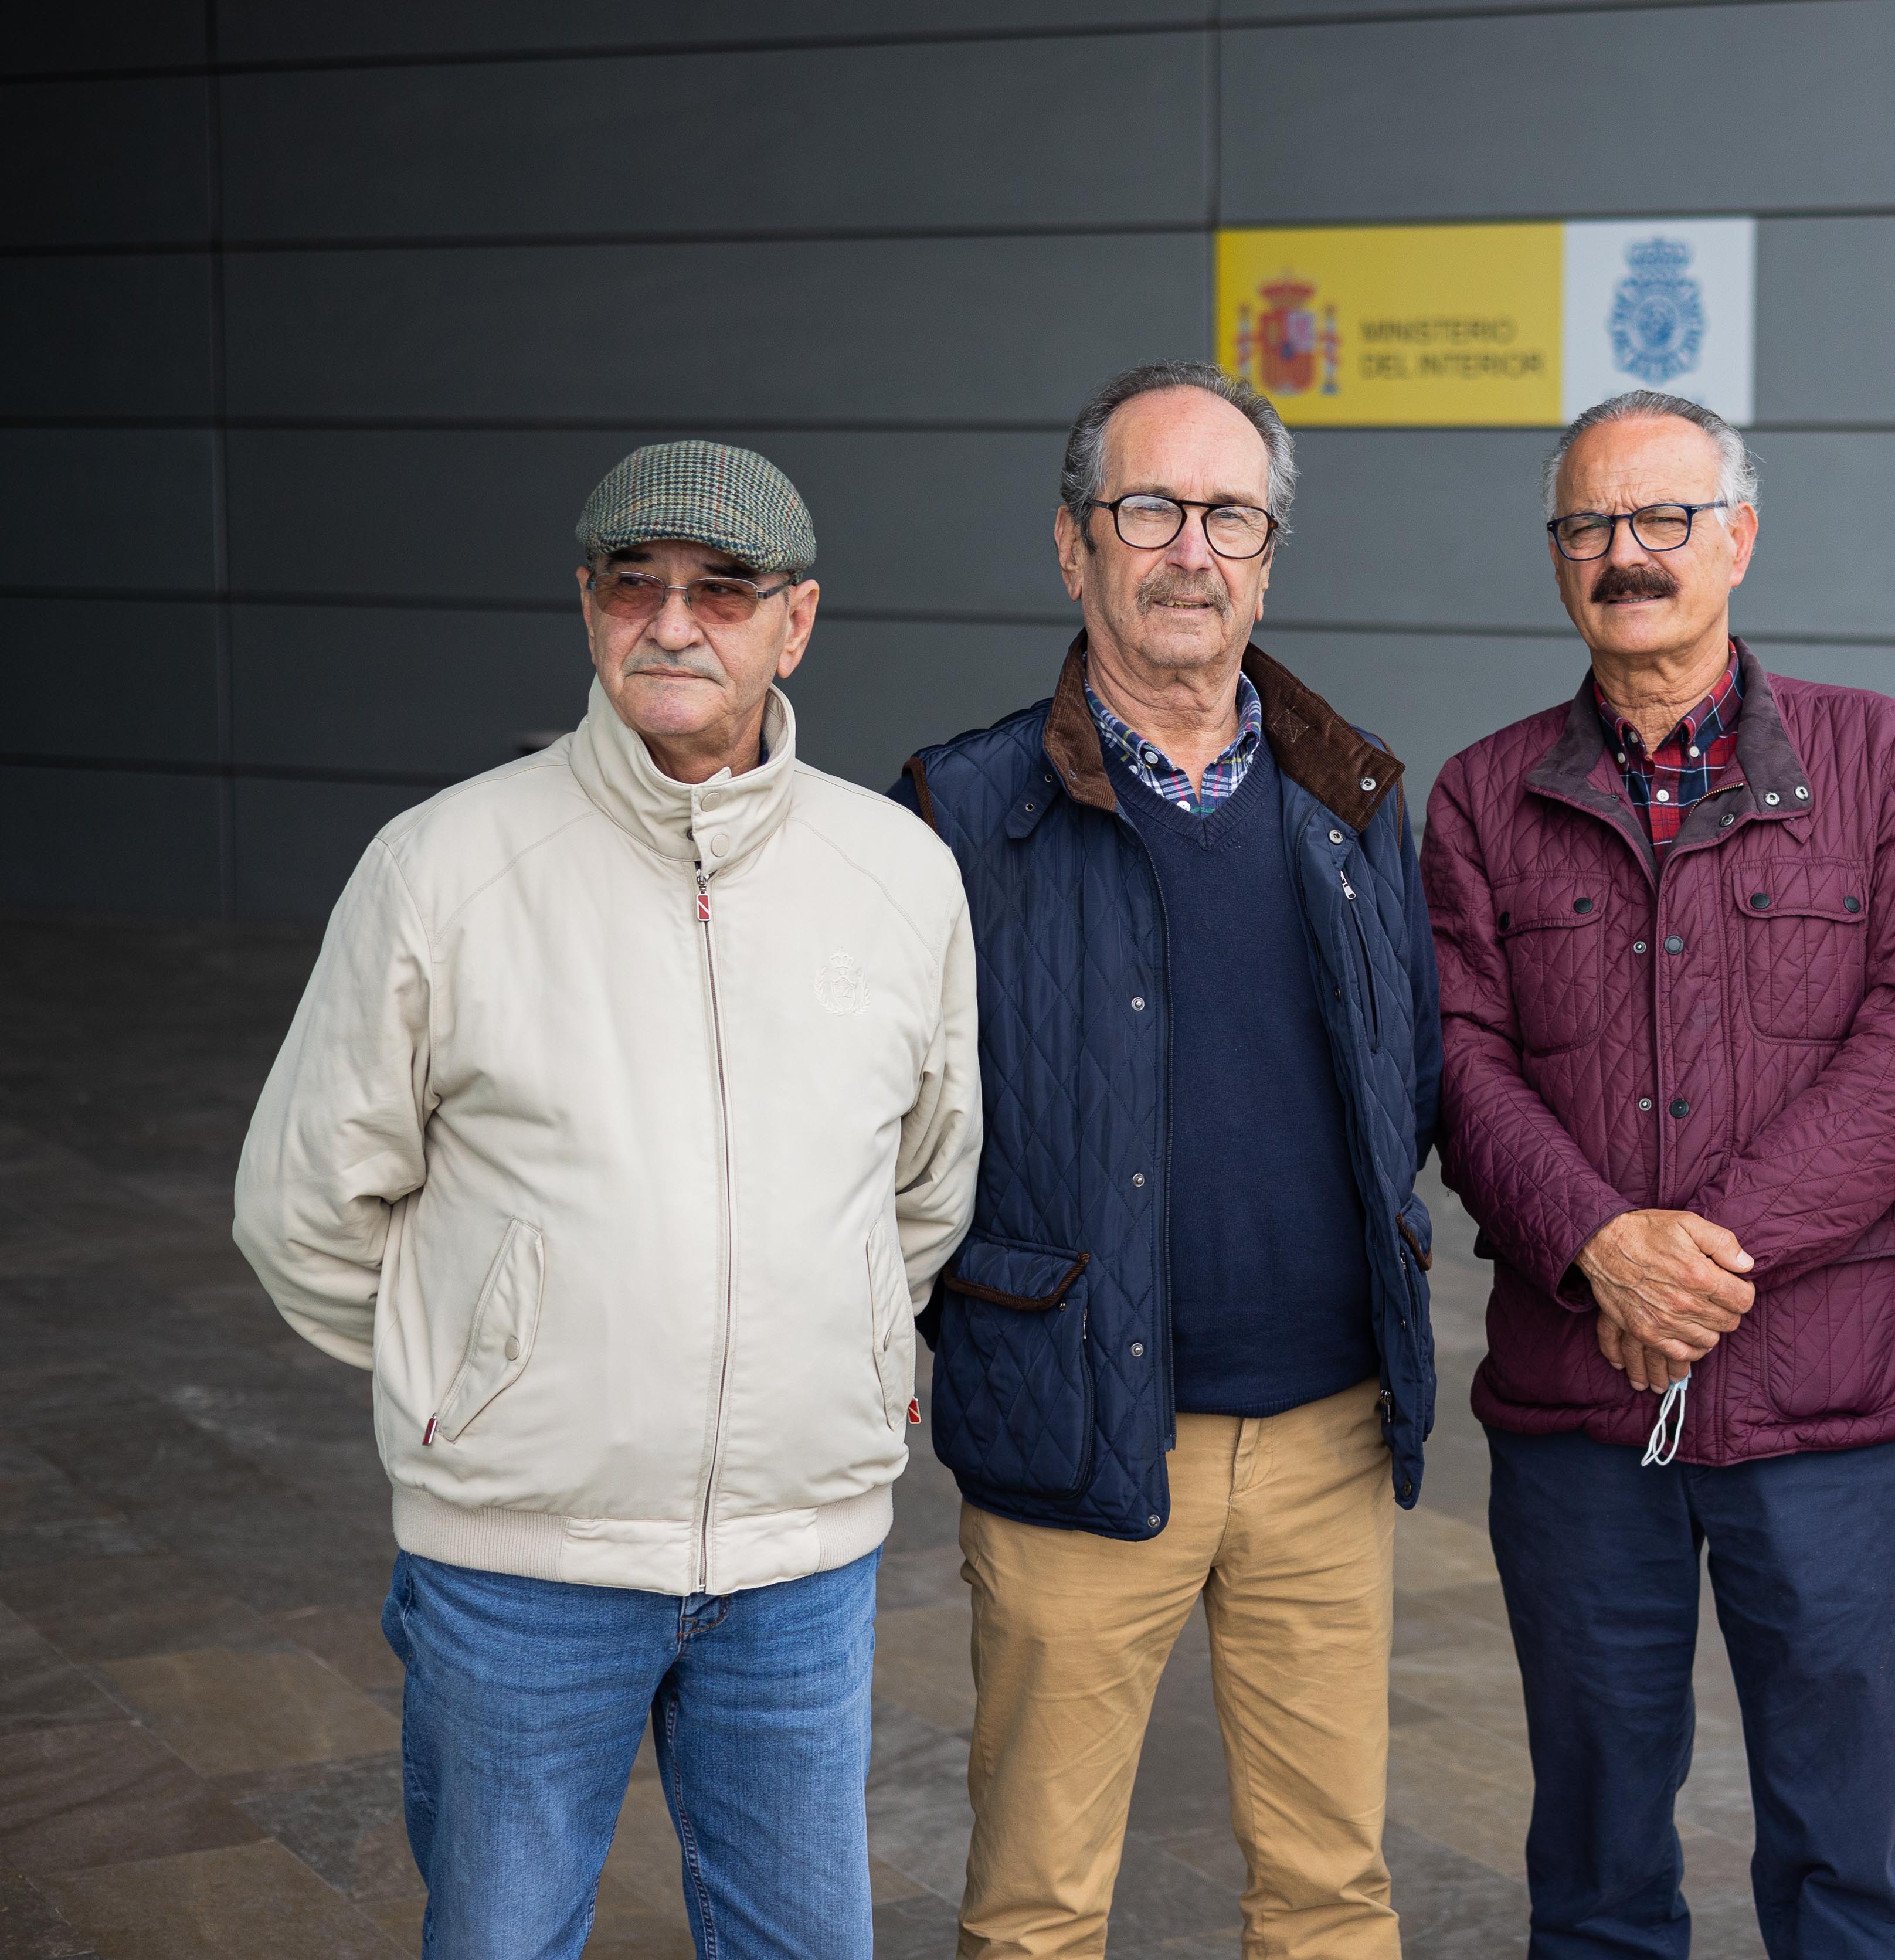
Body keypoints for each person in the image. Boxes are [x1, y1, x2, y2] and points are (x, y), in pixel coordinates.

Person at [232, 440, 983, 1959]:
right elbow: (305, 1207)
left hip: (799, 1571)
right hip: (522, 1566)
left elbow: (926, 1182)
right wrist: (478, 1381)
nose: (674, 621)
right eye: (633, 585)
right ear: (588, 609)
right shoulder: (443, 867)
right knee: (503, 1939)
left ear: (799, 623)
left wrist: (832, 1344)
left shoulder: (899, 874)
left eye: (724, 589)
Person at [1424, 390, 1895, 1959]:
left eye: (1664, 518)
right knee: (1596, 1864)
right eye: (1591, 526)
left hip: (1829, 1405)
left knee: (1845, 1862)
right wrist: (1601, 1247)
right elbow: (1459, 1066)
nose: (1627, 556)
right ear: (1556, 561)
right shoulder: (1481, 796)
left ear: (1738, 537)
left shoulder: (1883, 760)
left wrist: (1697, 1259)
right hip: (1578, 1411)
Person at [892, 361, 1438, 1960]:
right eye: (1148, 509)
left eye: (1228, 515)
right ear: (1076, 547)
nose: (1188, 550)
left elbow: (1405, 1077)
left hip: (1328, 1432)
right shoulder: (959, 809)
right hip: (1078, 1431)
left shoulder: (1354, 794)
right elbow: (892, 1125)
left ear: (1268, 554)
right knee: (1039, 1914)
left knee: (1334, 1898)